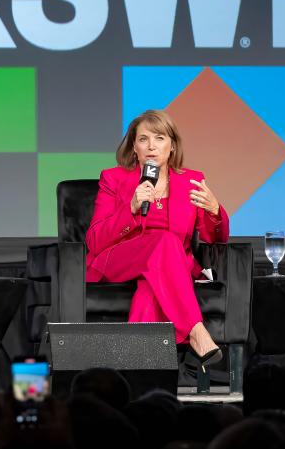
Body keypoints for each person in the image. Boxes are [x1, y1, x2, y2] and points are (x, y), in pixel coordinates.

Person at [85, 109, 229, 369]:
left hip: (168, 267)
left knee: (150, 288)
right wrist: (129, 208)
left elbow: (216, 238)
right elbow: (94, 241)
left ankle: (139, 373)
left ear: (172, 146)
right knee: (164, 241)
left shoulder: (192, 181)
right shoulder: (113, 179)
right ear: (134, 147)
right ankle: (196, 331)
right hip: (119, 260)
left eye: (159, 138)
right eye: (143, 139)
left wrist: (215, 211)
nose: (151, 146)